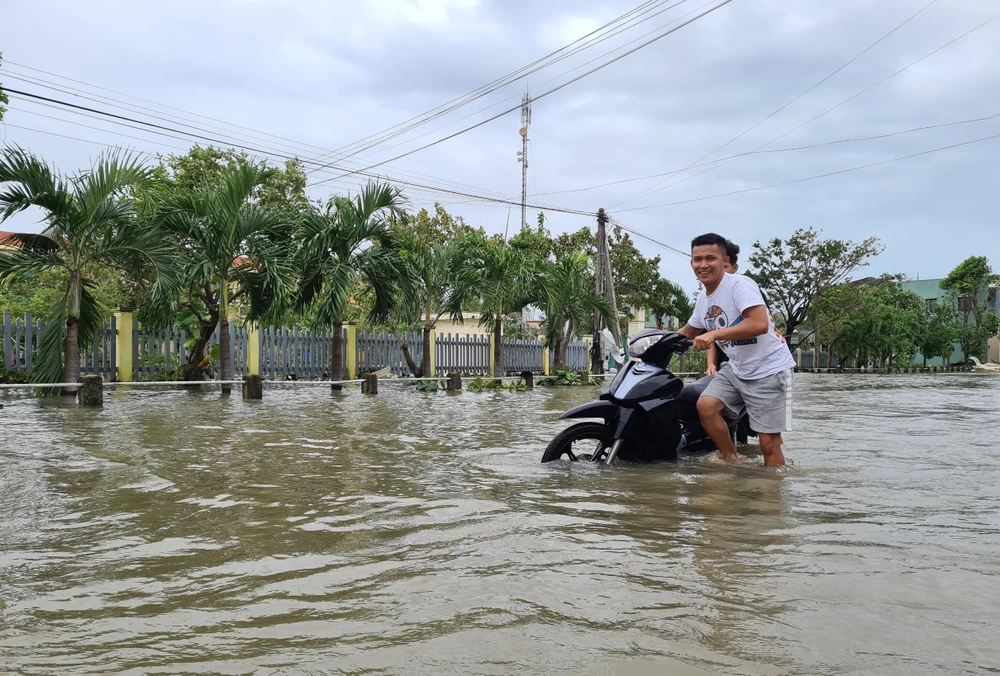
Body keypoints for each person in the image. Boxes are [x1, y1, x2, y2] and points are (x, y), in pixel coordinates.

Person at [678, 233, 795, 467]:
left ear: (725, 260)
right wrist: (651, 343)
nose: (703, 265)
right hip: (737, 368)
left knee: (768, 444)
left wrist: (713, 334)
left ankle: (772, 493)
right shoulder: (703, 299)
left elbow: (759, 324)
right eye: (696, 259)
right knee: (706, 406)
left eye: (710, 258)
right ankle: (732, 460)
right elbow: (689, 331)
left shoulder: (739, 285)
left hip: (769, 369)